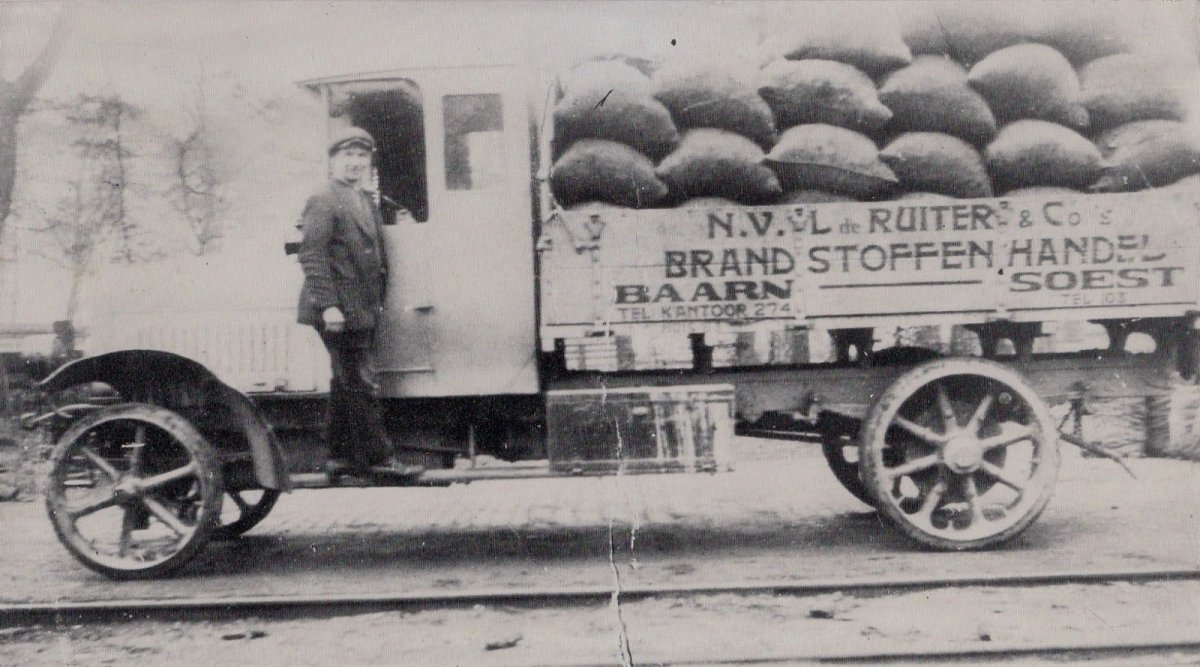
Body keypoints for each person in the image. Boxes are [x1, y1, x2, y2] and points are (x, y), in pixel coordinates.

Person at [297, 126, 421, 481]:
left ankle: (339, 456)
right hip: (339, 310)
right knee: (361, 380)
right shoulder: (324, 198)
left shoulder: (362, 199)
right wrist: (328, 306)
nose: (355, 163)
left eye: (362, 156)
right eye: (347, 156)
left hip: (359, 308)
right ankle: (379, 461)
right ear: (332, 161)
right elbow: (312, 254)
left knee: (346, 379)